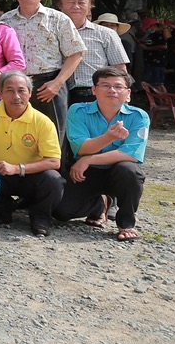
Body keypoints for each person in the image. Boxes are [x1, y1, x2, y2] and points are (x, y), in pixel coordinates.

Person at [54, 67, 148, 241]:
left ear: (127, 93)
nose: (112, 90)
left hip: (116, 171)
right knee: (61, 211)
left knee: (130, 170)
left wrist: (89, 159)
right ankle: (100, 204)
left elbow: (131, 154)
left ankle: (126, 223)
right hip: (85, 172)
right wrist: (108, 138)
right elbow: (81, 148)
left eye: (118, 87)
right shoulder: (77, 111)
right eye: (105, 85)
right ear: (94, 90)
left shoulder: (138, 116)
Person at [0, 71, 64, 237]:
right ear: (0, 93)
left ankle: (40, 217)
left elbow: (54, 162)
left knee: (53, 180)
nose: (16, 96)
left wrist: (17, 168)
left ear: (30, 93)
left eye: (22, 90)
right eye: (9, 90)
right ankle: (5, 207)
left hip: (30, 174)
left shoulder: (42, 122)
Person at [0, 0, 86, 148]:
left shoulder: (58, 18)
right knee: (16, 132)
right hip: (16, 85)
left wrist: (57, 83)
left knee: (54, 135)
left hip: (49, 84)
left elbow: (76, 53)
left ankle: (55, 174)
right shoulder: (5, 20)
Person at [56, 0, 129, 105]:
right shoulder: (50, 33)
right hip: (60, 95)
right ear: (60, 6)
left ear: (90, 7)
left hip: (96, 96)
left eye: (81, 2)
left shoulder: (106, 33)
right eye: (71, 2)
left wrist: (124, 98)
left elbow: (120, 68)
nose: (76, 6)